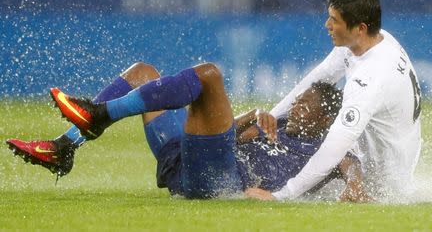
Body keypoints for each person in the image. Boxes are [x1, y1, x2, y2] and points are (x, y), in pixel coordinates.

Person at [6, 62, 369, 201]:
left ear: (325, 120)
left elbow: (351, 166)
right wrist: (254, 116)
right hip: (186, 161)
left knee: (209, 76)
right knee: (143, 73)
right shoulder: (281, 125)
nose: (296, 108)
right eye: (299, 101)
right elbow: (232, 137)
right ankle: (65, 146)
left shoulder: (328, 145)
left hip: (219, 180)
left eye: (307, 107)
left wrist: (355, 188)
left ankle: (98, 115)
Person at [247, 0, 422, 201]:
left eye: (334, 20)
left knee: (320, 136)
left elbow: (336, 145)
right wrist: (273, 115)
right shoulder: (375, 39)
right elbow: (320, 76)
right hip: (396, 150)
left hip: (386, 185)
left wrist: (282, 195)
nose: (327, 24)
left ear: (360, 28)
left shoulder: (371, 78)